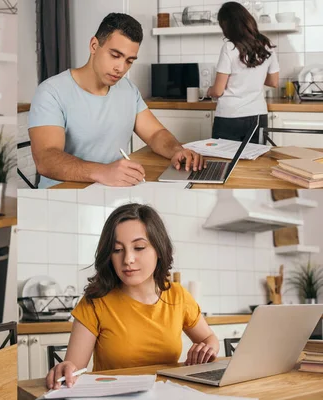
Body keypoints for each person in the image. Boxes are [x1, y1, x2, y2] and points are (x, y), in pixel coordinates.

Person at [46, 203, 219, 389]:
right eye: (117, 250)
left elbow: (209, 338)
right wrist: (66, 368)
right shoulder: (95, 302)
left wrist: (208, 349)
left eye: (139, 247)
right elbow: (74, 369)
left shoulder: (178, 296)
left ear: (159, 250)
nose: (127, 259)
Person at [29, 13, 205, 189]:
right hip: (62, 193)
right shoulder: (51, 92)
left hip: (114, 188)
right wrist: (103, 171)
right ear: (94, 45)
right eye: (115, 55)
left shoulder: (128, 89)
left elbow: (155, 134)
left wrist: (177, 151)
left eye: (129, 61)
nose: (121, 68)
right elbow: (46, 159)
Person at [207, 2, 279, 144]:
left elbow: (218, 90)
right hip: (258, 115)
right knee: (254, 162)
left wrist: (210, 91)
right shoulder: (266, 45)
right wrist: (254, 76)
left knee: (224, 159)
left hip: (230, 116)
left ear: (227, 25)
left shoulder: (229, 47)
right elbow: (273, 82)